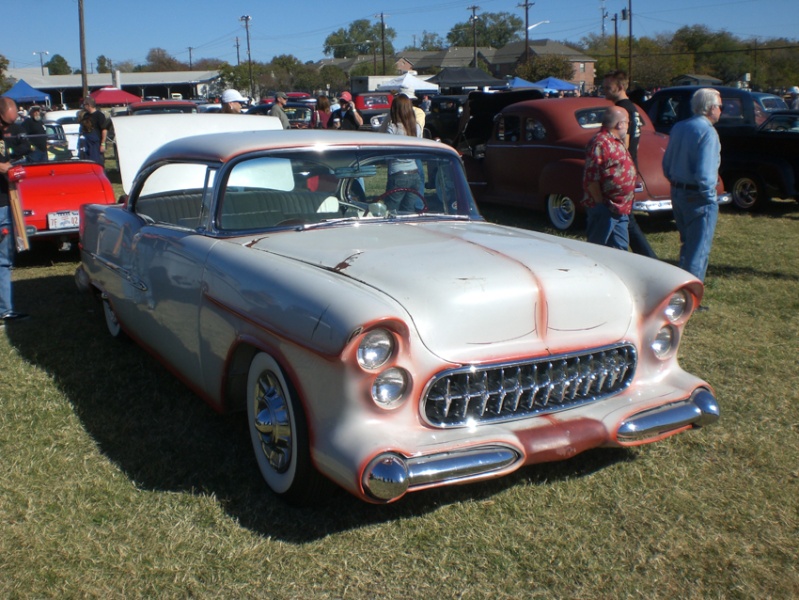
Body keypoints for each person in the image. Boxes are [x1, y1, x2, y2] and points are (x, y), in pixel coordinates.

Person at [662, 88, 723, 287]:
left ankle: (681, 289)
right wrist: (710, 197)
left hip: (678, 191)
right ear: (711, 108)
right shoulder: (707, 132)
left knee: (687, 246)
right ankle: (690, 298)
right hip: (698, 196)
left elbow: (666, 163)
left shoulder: (679, 127)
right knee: (698, 250)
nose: (721, 111)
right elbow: (705, 174)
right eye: (720, 106)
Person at [602, 70, 657, 259]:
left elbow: (622, 143)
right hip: (631, 167)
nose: (604, 90)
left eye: (608, 87)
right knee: (625, 218)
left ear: (621, 87)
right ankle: (644, 258)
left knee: (625, 219)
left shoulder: (622, 111)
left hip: (622, 170)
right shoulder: (633, 109)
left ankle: (649, 259)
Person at [581, 106, 637, 250]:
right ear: (620, 124)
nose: (628, 126)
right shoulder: (600, 142)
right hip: (606, 208)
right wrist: (600, 205)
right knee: (598, 250)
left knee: (620, 250)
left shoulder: (616, 141)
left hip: (621, 208)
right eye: (628, 122)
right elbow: (591, 178)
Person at [0, 97, 29, 323]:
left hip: (4, 200)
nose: (7, 129)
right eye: (5, 124)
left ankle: (5, 308)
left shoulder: (3, 134)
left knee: (3, 260)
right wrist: (4, 167)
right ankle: (4, 310)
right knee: (2, 260)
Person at [382, 95, 423, 213]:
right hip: (415, 173)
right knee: (408, 212)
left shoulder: (393, 128)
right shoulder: (416, 128)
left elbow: (386, 151)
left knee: (390, 212)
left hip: (397, 173)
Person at [78, 97, 108, 165]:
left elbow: (104, 130)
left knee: (97, 162)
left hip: (96, 144)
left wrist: (103, 144)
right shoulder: (86, 115)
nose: (84, 106)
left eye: (84, 105)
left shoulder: (99, 115)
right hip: (87, 143)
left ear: (89, 105)